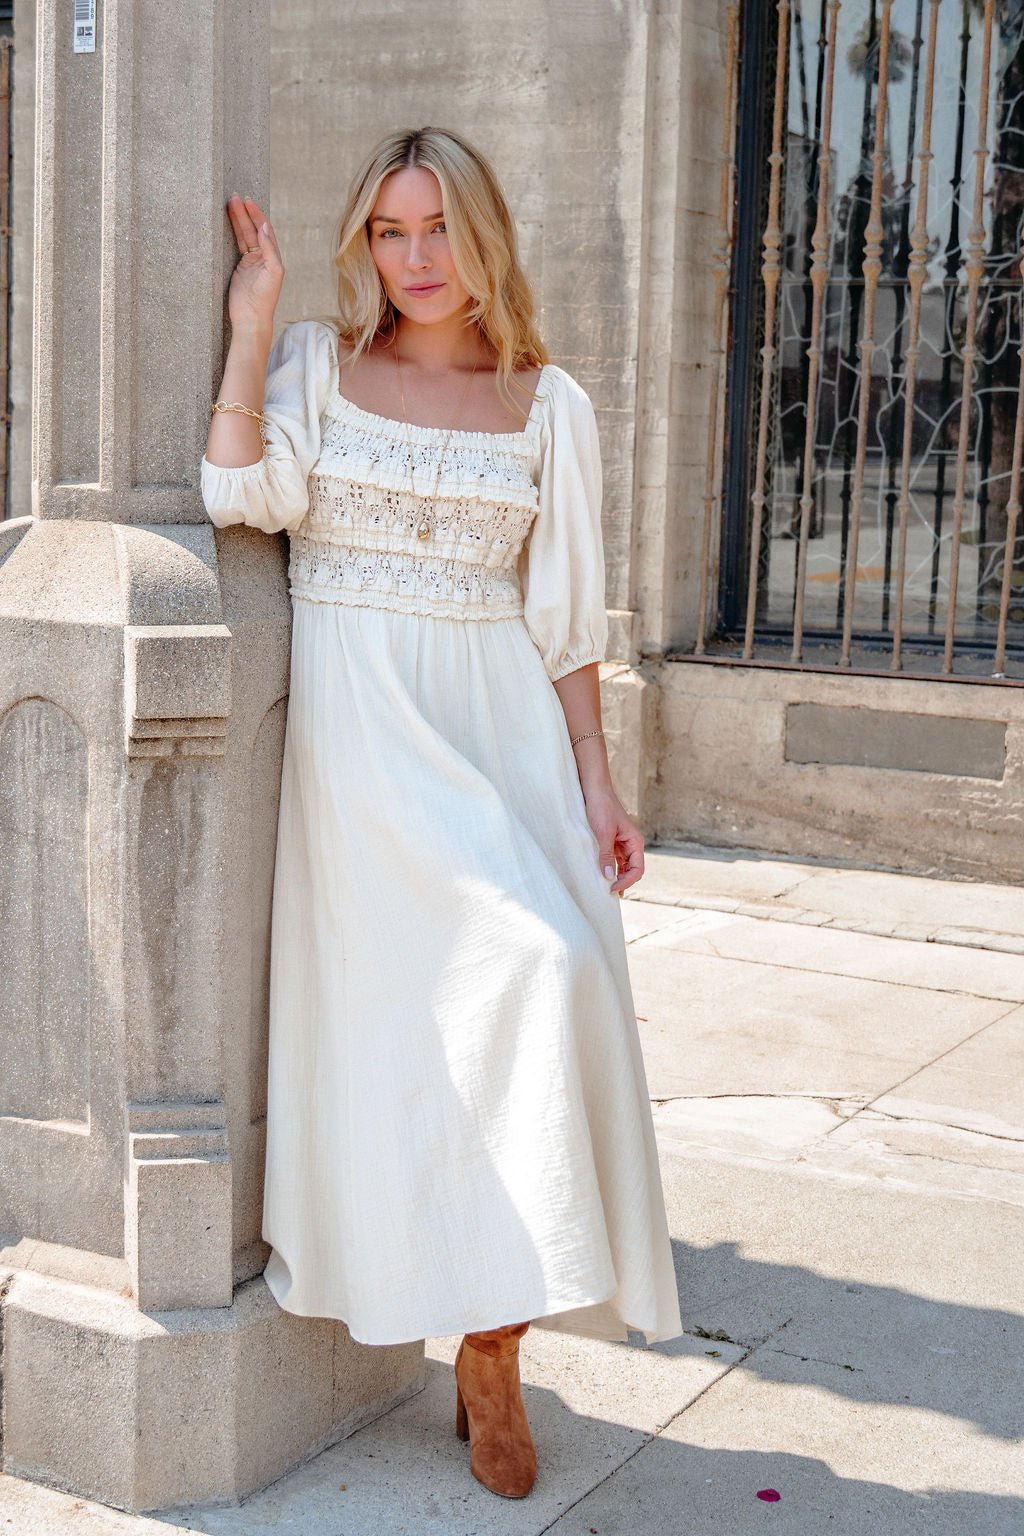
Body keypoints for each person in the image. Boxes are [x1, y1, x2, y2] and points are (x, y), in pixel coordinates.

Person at [201, 125, 682, 1501]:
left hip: (500, 738)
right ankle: (444, 1313)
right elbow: (241, 489)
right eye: (391, 234)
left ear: (485, 241)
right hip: (362, 751)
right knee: (413, 1053)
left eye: (440, 232)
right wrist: (251, 320)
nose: (417, 261)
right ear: (365, 245)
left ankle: (495, 1344)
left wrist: (595, 777)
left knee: (552, 968)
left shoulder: (547, 405)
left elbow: (566, 613)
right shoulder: (314, 365)